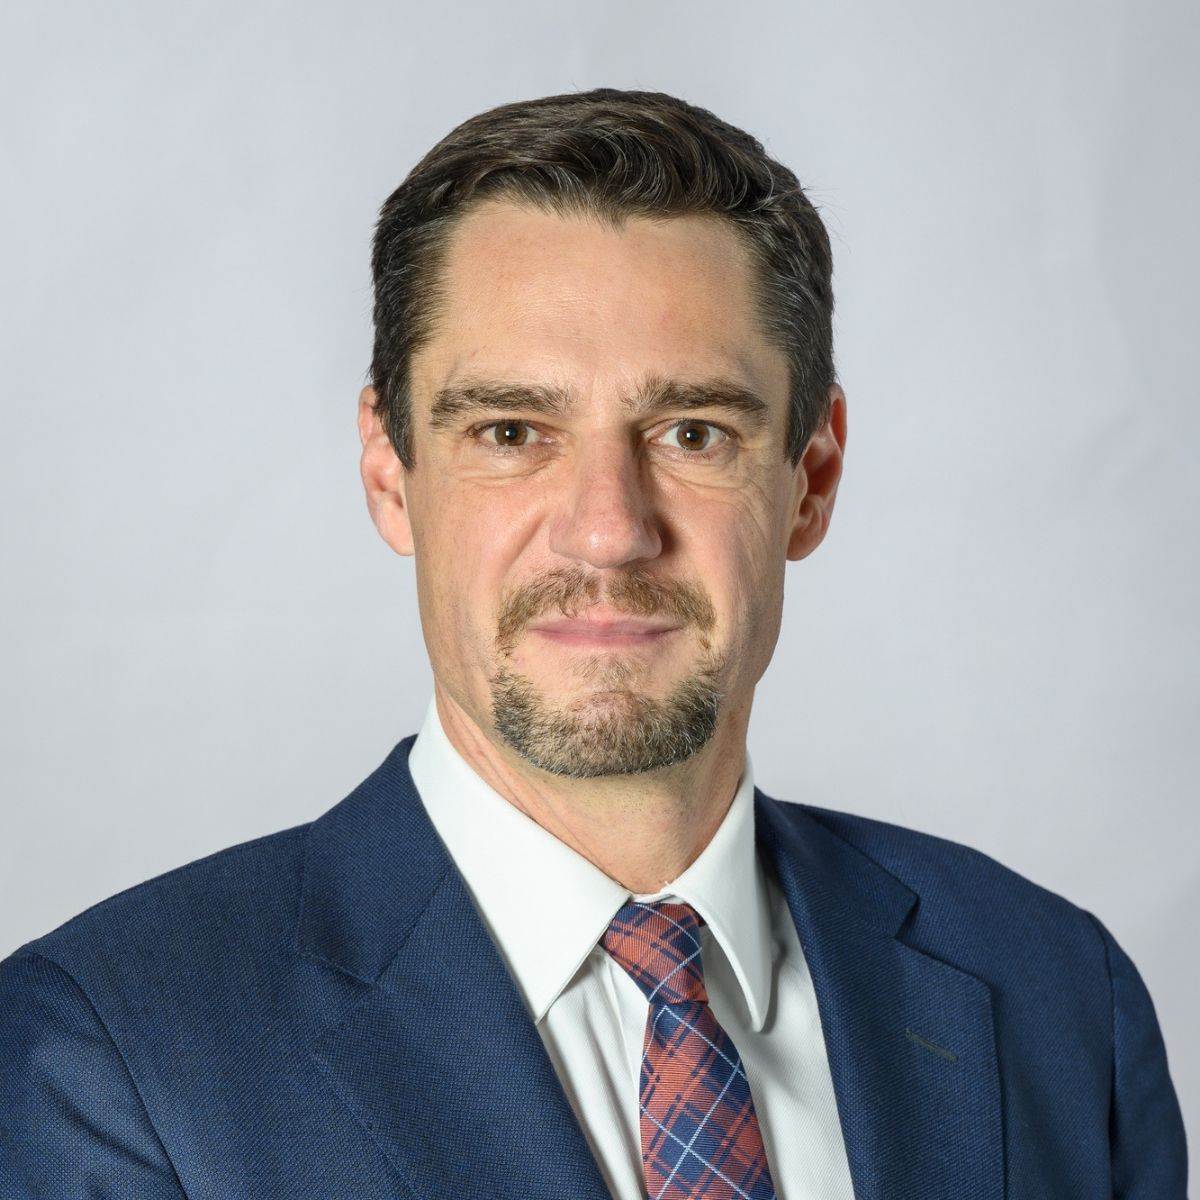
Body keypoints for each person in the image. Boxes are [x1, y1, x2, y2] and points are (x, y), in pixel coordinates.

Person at [0, 89, 1187, 1199]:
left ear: (811, 478)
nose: (610, 531)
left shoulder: (1055, 994)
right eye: (512, 431)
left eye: (693, 432)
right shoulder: (107, 1055)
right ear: (391, 473)